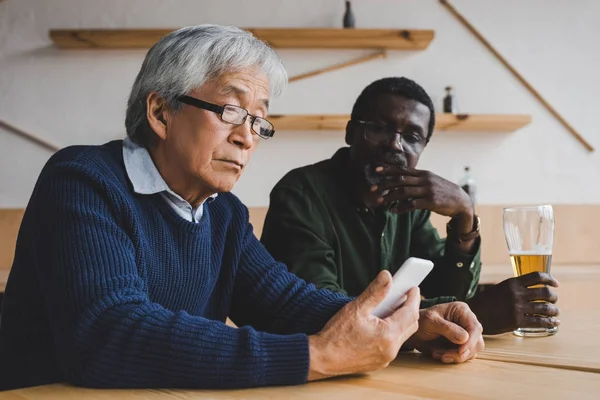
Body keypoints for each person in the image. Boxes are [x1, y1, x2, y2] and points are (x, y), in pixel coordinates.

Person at [0, 26, 484, 391]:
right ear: (160, 113)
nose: (247, 135)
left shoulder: (223, 212)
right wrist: (316, 355)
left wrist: (410, 323)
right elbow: (108, 333)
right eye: (231, 110)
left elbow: (286, 302)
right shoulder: (84, 179)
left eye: (259, 120)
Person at [261, 77, 560, 335]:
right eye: (379, 128)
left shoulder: (408, 204)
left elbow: (449, 290)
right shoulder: (300, 194)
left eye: (412, 137)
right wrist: (473, 312)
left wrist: (464, 216)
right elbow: (322, 309)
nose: (395, 144)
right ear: (351, 132)